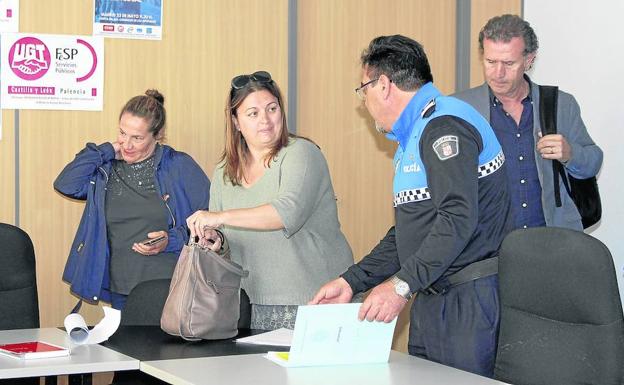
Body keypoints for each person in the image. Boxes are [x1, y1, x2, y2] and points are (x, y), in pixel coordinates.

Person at [309, 35, 513, 377]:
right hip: (432, 295)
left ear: (384, 85)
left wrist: (400, 286)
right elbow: (408, 233)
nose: (364, 101)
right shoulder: (416, 134)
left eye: (364, 89)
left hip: (467, 302)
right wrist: (351, 281)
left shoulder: (444, 127)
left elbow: (457, 219)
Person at [186, 71, 353, 330]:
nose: (265, 120)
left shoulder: (301, 154)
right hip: (250, 303)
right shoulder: (224, 171)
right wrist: (216, 240)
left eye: (272, 109)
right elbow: (226, 240)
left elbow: (286, 212)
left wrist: (219, 217)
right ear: (236, 122)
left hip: (315, 300)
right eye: (252, 113)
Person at [54, 89, 210, 310]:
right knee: (123, 345)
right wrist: (106, 150)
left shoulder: (179, 166)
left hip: (170, 286)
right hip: (121, 288)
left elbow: (210, 222)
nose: (127, 144)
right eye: (122, 133)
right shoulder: (107, 169)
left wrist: (171, 240)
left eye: (137, 138)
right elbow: (65, 183)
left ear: (157, 135)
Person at [453, 14, 603, 231]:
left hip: (553, 241)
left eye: (509, 63)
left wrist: (570, 154)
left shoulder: (561, 104)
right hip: (487, 249)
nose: (498, 73)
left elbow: (593, 162)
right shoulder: (459, 108)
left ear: (529, 59)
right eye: (491, 62)